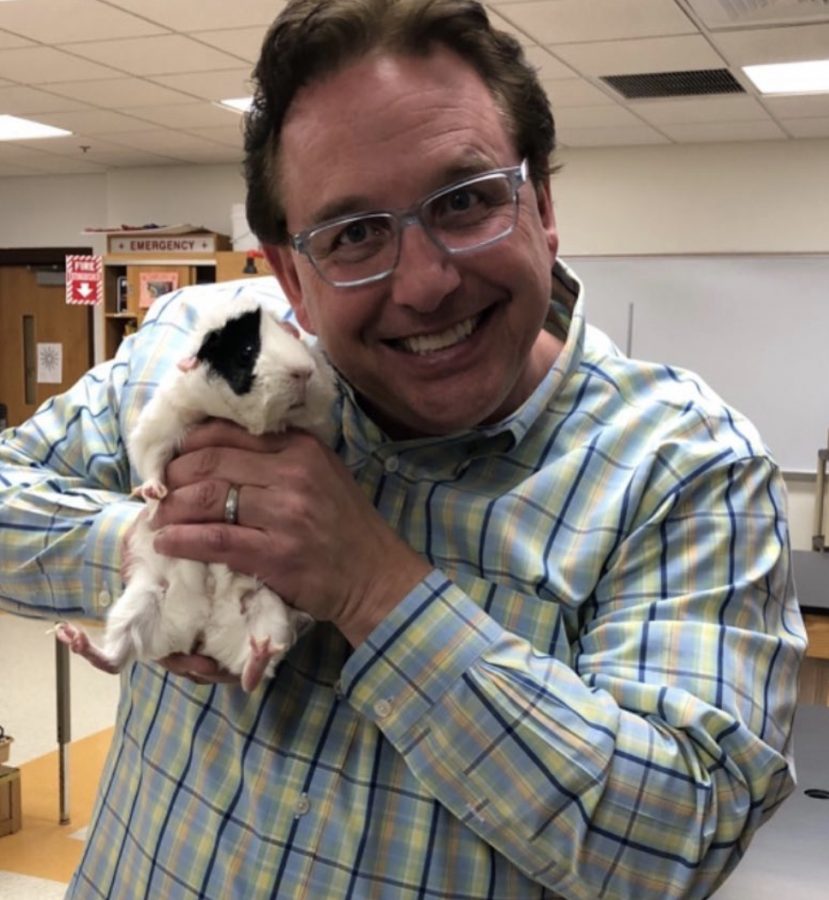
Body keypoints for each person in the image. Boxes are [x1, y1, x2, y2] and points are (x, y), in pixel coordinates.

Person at [0, 1, 806, 897]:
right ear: (288, 274)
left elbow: (675, 843)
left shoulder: (685, 467)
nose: (425, 283)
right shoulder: (198, 347)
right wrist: (151, 548)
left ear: (538, 206)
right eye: (352, 235)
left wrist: (375, 589)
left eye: (463, 202)